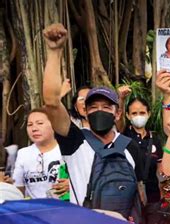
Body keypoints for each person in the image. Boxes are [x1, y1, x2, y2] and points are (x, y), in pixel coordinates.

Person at [41, 24, 144, 209]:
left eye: (106, 107)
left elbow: (140, 194)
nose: (99, 111)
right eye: (93, 107)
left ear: (118, 112)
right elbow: (51, 101)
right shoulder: (74, 141)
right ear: (85, 111)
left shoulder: (131, 146)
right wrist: (54, 51)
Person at [122, 97, 164, 224]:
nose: (138, 116)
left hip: (153, 197)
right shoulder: (123, 137)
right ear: (128, 115)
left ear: (149, 114)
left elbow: (160, 168)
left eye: (142, 113)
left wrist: (164, 193)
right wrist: (121, 99)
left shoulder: (154, 138)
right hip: (131, 199)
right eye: (134, 113)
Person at [12, 108, 69, 199]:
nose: (34, 129)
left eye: (40, 123)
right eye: (30, 125)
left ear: (54, 125)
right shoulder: (23, 153)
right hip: (35, 209)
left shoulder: (67, 151)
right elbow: (18, 188)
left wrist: (72, 185)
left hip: (64, 208)